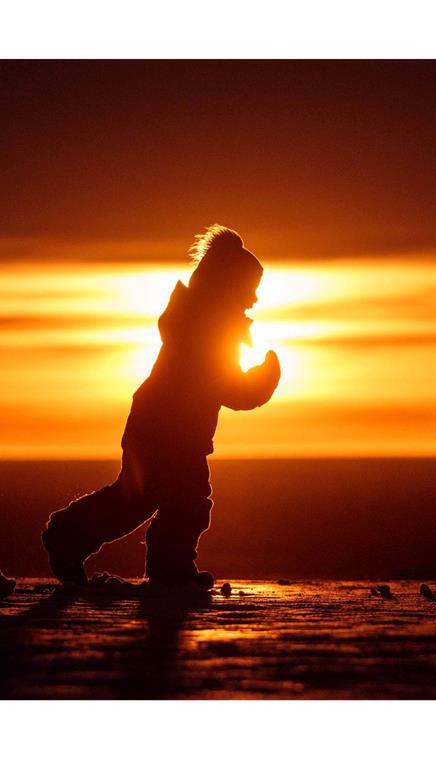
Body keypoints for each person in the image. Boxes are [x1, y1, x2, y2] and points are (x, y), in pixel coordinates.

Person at [42, 225, 281, 588]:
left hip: (162, 429)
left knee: (143, 499)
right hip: (169, 433)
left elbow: (220, 384)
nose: (254, 299)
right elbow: (227, 386)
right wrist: (263, 383)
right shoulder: (203, 330)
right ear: (227, 286)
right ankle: (164, 568)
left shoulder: (203, 324)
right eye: (249, 290)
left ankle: (73, 537)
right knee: (185, 502)